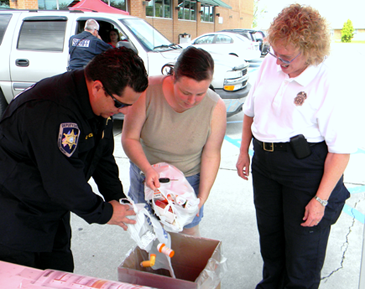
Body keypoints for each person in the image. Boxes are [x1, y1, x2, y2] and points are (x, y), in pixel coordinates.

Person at [236, 4, 356, 289]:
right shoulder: (271, 63)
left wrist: (321, 200)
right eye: (274, 53)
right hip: (265, 165)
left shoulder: (328, 80)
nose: (278, 62)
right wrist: (244, 150)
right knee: (271, 238)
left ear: (310, 50)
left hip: (305, 170)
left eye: (286, 57)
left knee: (303, 249)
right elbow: (250, 110)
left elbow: (340, 151)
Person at [0, 47, 148, 272]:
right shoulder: (53, 111)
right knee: (23, 279)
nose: (125, 112)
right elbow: (63, 182)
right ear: (97, 87)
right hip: (15, 214)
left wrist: (116, 197)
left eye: (130, 105)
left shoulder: (98, 107)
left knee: (60, 275)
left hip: (52, 209)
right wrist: (105, 212)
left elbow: (102, 157)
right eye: (120, 104)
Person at [122, 46, 226, 237]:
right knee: (148, 235)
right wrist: (148, 169)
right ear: (174, 76)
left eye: (200, 93)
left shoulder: (216, 106)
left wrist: (202, 197)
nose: (192, 101)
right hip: (147, 176)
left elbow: (211, 154)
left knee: (187, 238)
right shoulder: (147, 91)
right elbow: (129, 138)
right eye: (186, 92)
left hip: (188, 180)